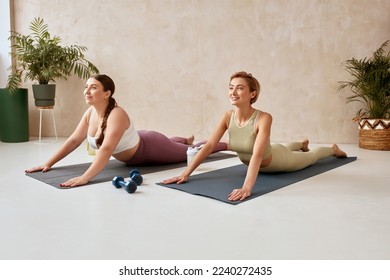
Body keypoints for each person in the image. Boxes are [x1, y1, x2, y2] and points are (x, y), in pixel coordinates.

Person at [163, 71, 347, 201]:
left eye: (240, 88)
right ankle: (300, 142)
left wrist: (247, 187)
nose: (233, 92)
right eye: (231, 87)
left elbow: (258, 155)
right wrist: (185, 174)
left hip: (277, 162)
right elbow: (209, 146)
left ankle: (332, 149)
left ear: (253, 94)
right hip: (271, 149)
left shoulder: (263, 118)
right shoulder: (228, 116)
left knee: (311, 156)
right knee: (277, 145)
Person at [25, 74, 227, 188]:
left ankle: (223, 144)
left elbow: (105, 150)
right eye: (86, 87)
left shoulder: (117, 115)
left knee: (191, 152)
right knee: (178, 144)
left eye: (93, 87)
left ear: (107, 93)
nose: (87, 91)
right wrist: (48, 164)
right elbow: (73, 141)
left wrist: (85, 177)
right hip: (139, 145)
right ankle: (181, 139)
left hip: (150, 148)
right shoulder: (90, 114)